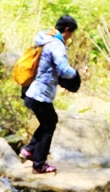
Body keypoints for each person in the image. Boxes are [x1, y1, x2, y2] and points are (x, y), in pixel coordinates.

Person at [18, 14, 79, 175]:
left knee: (49, 122)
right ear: (66, 30)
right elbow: (64, 70)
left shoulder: (45, 39)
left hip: (32, 91)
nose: (70, 37)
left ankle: (29, 150)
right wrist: (76, 74)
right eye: (71, 33)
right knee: (49, 126)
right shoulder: (56, 45)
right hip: (41, 94)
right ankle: (39, 164)